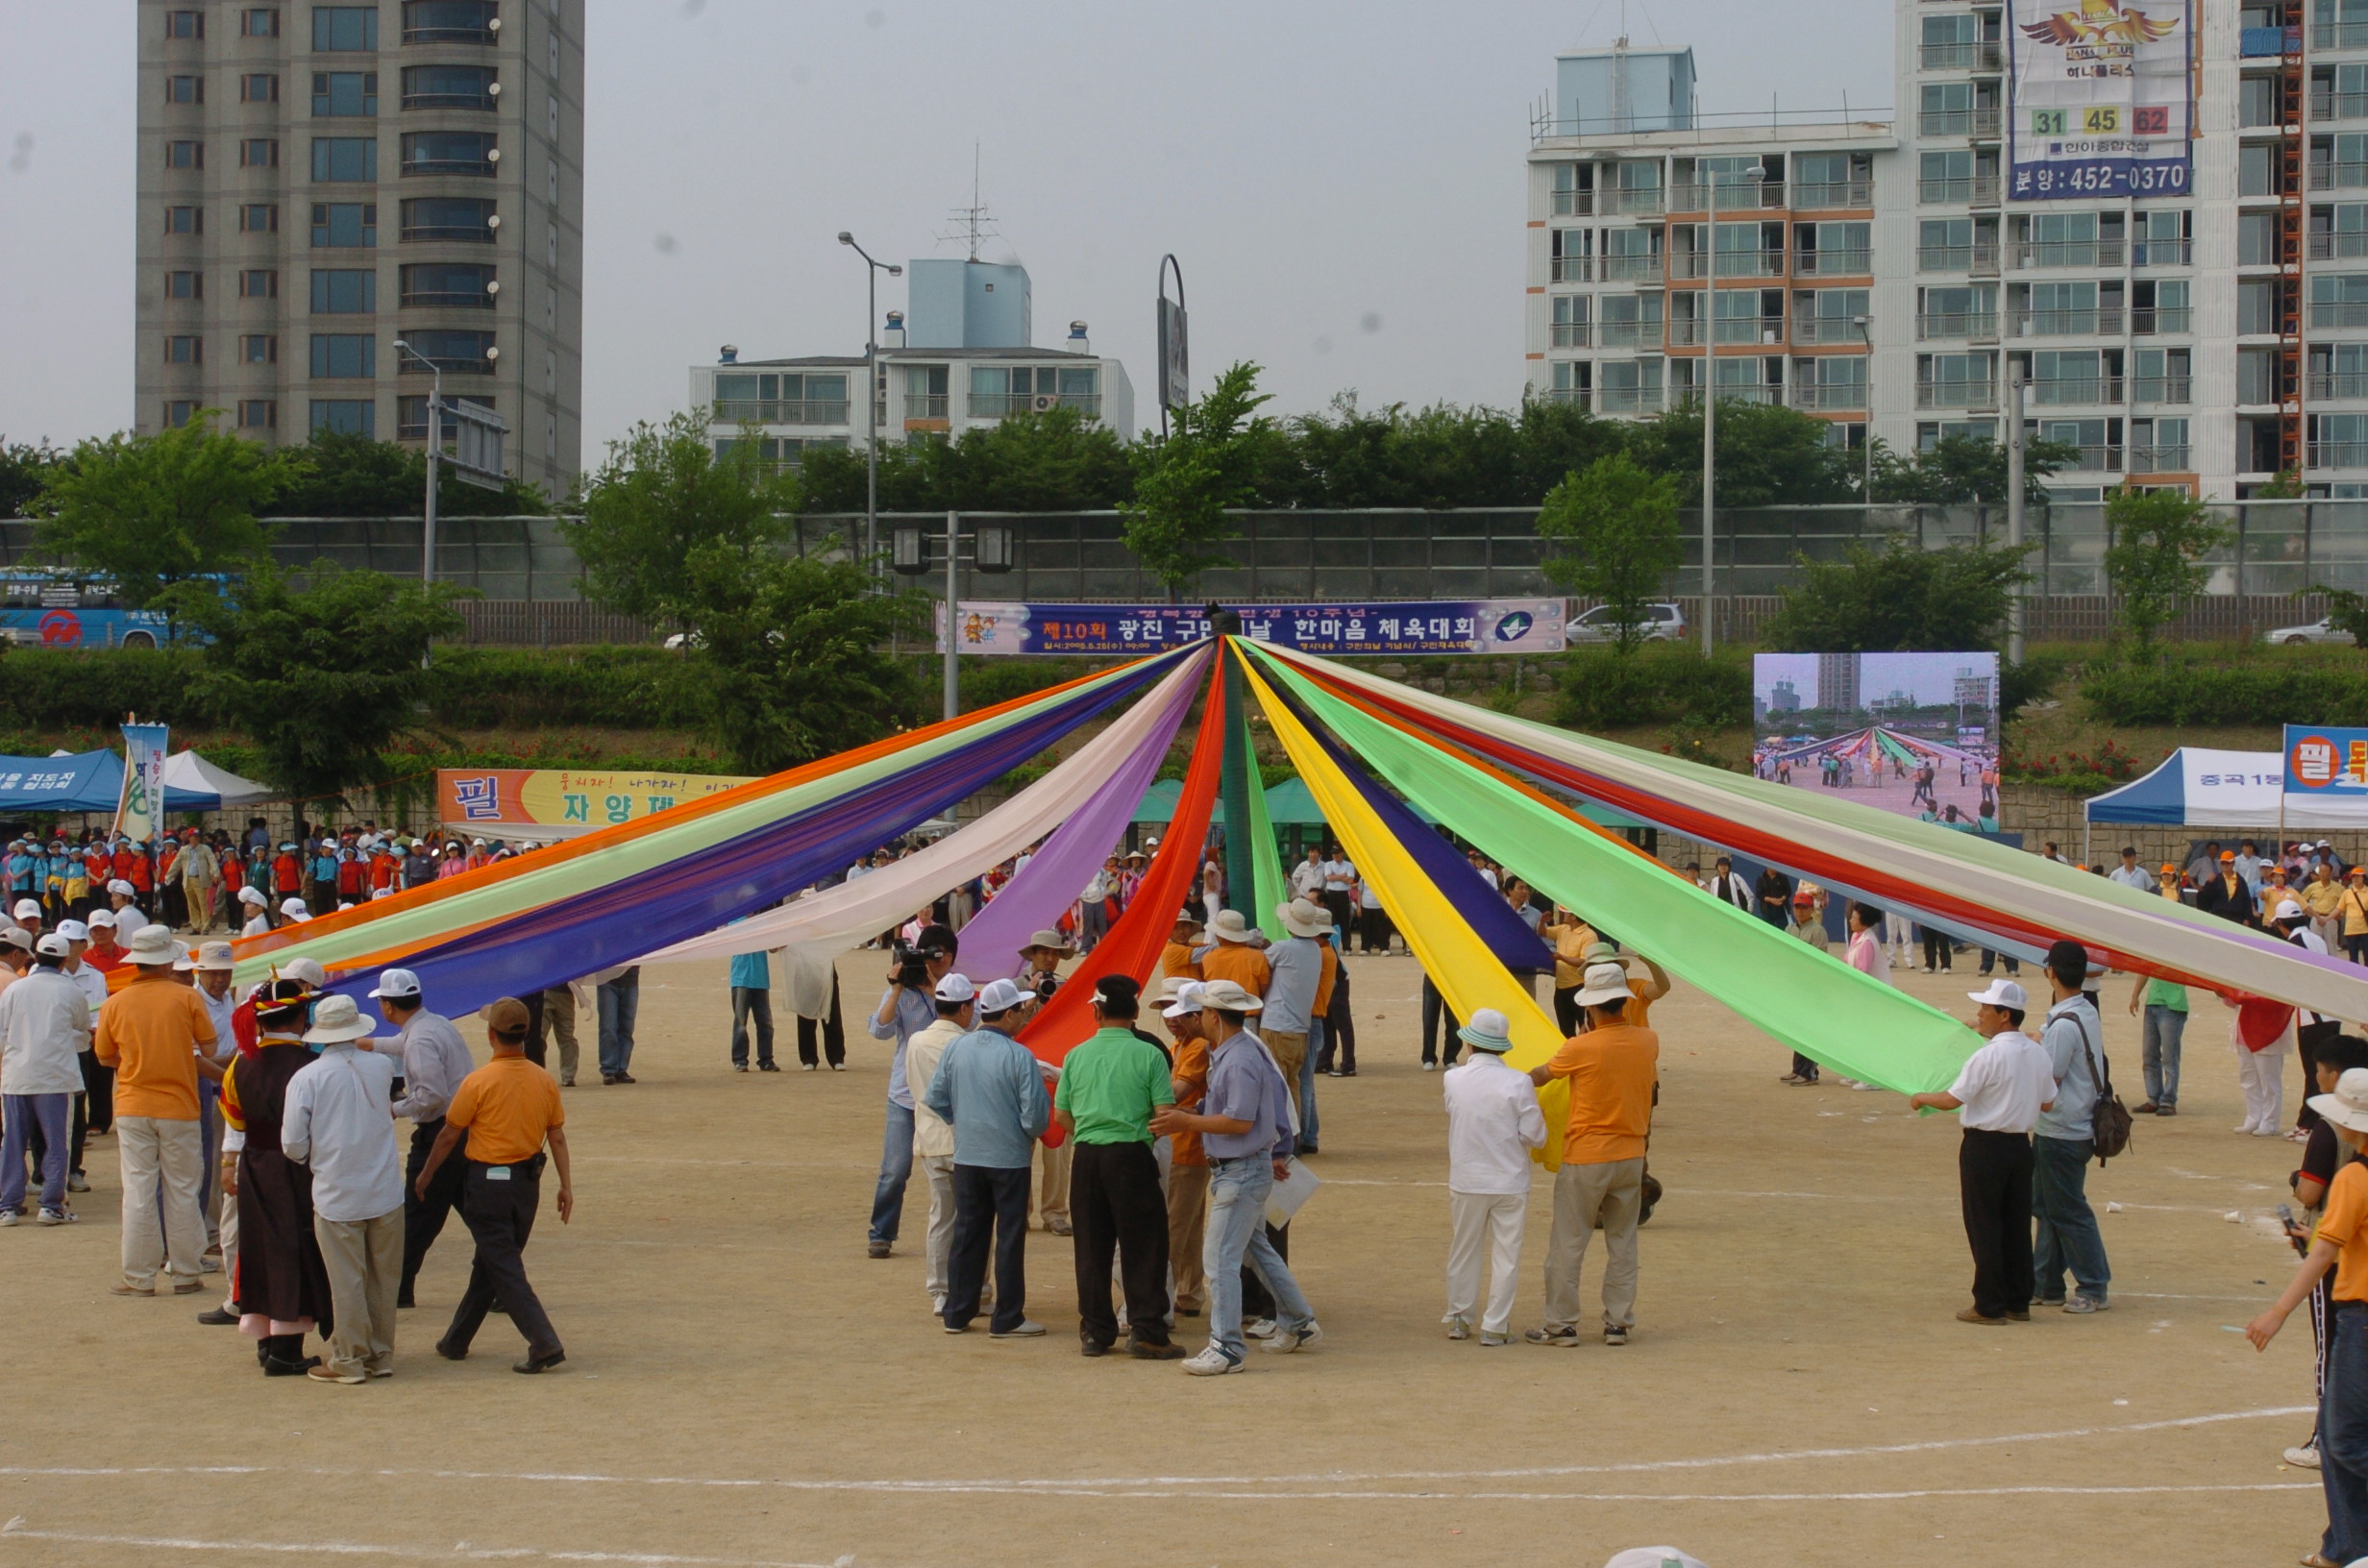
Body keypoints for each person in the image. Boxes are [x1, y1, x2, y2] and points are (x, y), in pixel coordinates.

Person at [1149, 978, 1321, 1374]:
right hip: (1241, 1169)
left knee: (1221, 1257)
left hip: (1240, 1169)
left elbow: (1239, 1121)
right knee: (1253, 1248)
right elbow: (1226, 1111)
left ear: (1212, 1015)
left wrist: (1183, 1121)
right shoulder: (1232, 1052)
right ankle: (1297, 1320)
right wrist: (1186, 1117)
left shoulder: (1238, 1057)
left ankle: (1227, 1347)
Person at [2248, 1066, 2368, 1567]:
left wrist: (2278, 1311)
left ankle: (2346, 1546)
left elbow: (2324, 1255)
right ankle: (2343, 1546)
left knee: (2341, 1437)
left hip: (2361, 1316)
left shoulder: (2355, 1176)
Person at [415, 996, 572, 1374]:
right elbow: (558, 1137)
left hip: (487, 1186)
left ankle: (544, 1341)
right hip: (526, 1186)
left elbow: (449, 1135)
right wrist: (566, 1186)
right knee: (491, 1263)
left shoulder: (478, 1082)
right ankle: (456, 1339)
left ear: (490, 1035)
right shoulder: (543, 1080)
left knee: (503, 1266)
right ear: (526, 1033)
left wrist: (425, 1175)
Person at [1525, 961, 1659, 1347]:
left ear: (1592, 1007)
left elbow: (1541, 1075)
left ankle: (1562, 1324)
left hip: (1586, 1155)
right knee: (1622, 1242)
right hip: (1631, 1154)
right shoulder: (1648, 1041)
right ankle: (1618, 1322)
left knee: (1569, 1241)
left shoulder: (1579, 1046)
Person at [1909, 978, 2056, 1324]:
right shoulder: (2037, 1053)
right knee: (2016, 1223)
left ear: (2004, 1015)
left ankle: (1988, 1304)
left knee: (1984, 1224)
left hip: (1985, 1145)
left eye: (1986, 1009)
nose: (1979, 1014)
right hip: (2020, 1146)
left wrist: (1920, 1097)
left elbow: (1952, 1099)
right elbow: (2048, 1103)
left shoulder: (1987, 1055)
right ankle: (2017, 1300)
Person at [1055, 974, 1183, 1359]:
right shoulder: (1149, 1054)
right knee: (1144, 1245)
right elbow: (1164, 1113)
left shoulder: (1076, 1055)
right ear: (1135, 1012)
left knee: (1091, 1247)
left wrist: (1092, 1132)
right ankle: (1146, 1330)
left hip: (1088, 1155)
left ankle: (1095, 1331)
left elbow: (1062, 1115)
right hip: (1131, 1153)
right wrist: (1138, 1136)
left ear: (1096, 1011)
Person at [95, 924, 223, 1299]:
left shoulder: (115, 1002)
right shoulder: (186, 998)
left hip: (133, 1104)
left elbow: (104, 1056)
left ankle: (139, 1277)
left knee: (138, 1190)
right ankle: (185, 1271)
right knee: (183, 1188)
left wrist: (137, 1061)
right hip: (179, 1105)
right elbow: (210, 1048)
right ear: (168, 961)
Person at [282, 993, 404, 1384]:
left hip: (337, 1191)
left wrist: (314, 1155)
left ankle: (349, 1358)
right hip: (384, 1186)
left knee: (347, 1280)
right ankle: (380, 1354)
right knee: (383, 1278)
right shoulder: (381, 1066)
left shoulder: (308, 1077)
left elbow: (293, 1144)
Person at [925, 976, 1052, 1337]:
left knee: (968, 1233)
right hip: (1009, 1158)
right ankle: (1007, 1315)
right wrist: (1020, 1134)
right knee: (1009, 1237)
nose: (1024, 1016)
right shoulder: (1018, 1055)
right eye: (1021, 1011)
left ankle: (958, 1311)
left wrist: (963, 1121)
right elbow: (1035, 1117)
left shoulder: (957, 1049)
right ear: (1009, 1014)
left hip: (969, 1155)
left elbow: (936, 1098)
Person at [220, 976, 333, 1374]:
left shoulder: (239, 1063)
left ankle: (267, 1340)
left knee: (260, 1247)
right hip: (298, 1167)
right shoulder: (312, 1066)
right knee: (295, 1247)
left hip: (255, 1163)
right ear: (302, 1016)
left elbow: (233, 1115)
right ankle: (286, 1349)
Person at [2282, 1036, 2368, 1472]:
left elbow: (2313, 1189)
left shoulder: (2329, 1136)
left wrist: (2276, 1312)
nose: (2316, 1076)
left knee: (2331, 1351)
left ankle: (2323, 1438)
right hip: (2350, 1255)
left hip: (2339, 1265)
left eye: (2319, 1070)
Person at [368, 968, 477, 1311]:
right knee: (473, 1212)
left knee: (417, 1214)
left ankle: (398, 1289)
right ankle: (499, 1280)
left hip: (440, 1132)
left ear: (387, 1007)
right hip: (463, 1130)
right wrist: (366, 1043)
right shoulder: (435, 1024)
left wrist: (392, 1109)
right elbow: (401, 1044)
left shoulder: (419, 1039)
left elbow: (430, 1095)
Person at [1441, 1008, 1547, 1346]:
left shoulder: (1453, 1078)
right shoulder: (1519, 1082)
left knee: (1464, 1248)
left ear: (1469, 1046)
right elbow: (1535, 1135)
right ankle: (1495, 1325)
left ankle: (1459, 1316)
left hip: (1468, 1178)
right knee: (1507, 1255)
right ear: (1502, 1047)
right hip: (1510, 1181)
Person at [865, 926, 956, 1259]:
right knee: (895, 1169)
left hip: (947, 1096)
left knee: (955, 1168)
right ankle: (881, 1233)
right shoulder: (902, 992)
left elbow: (971, 1026)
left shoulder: (953, 989)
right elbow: (879, 1029)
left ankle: (959, 1232)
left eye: (946, 954)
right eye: (934, 952)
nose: (941, 959)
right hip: (905, 1095)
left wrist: (936, 991)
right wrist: (896, 987)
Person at [2031, 940, 2111, 1313]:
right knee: (2049, 1206)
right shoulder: (2083, 1011)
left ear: (2052, 973)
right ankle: (2045, 1282)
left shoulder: (2063, 1024)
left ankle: (2093, 1286)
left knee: (2068, 1210)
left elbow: (2050, 1080)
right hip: (2074, 1125)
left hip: (2063, 1128)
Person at [0, 933, 90, 1227]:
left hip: (17, 1077)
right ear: (64, 960)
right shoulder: (71, 990)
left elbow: (2, 1034)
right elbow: (82, 1030)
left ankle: (8, 1206)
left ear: (34, 957)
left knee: (13, 1142)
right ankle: (52, 1205)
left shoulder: (16, 989)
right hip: (55, 1078)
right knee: (57, 1144)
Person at [903, 972, 974, 1316]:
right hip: (965, 1143)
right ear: (964, 1009)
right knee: (972, 1219)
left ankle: (940, 1291)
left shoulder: (916, 1041)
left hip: (930, 1141)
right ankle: (976, 1289)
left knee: (941, 1218)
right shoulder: (966, 1043)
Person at [1158, 978, 1213, 1320]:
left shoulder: (1196, 1047)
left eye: (1178, 1012)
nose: (1171, 1017)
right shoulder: (1183, 1045)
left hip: (1185, 1145)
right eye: (1166, 1010)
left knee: (1175, 1226)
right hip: (1190, 1144)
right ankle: (1189, 1292)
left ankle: (1162, 1298)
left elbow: (1178, 1092)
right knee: (1190, 1224)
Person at [1260, 899, 1327, 1118]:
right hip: (1299, 1028)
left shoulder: (1282, 948)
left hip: (1277, 1025)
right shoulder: (1315, 950)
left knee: (1274, 1086)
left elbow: (1259, 965)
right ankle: (1293, 1138)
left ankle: (1280, 1141)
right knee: (1292, 1085)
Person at [1197, 909, 1272, 996]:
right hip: (1250, 1007)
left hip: (1218, 1007)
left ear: (1218, 935)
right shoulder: (1257, 957)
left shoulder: (1207, 958)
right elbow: (1264, 986)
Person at [728, 945, 777, 1072]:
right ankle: (739, 1059)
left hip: (760, 978)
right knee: (740, 1023)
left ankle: (766, 1059)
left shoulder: (761, 925)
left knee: (765, 1023)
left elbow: (773, 948)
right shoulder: (733, 924)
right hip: (741, 978)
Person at [594, 963, 641, 1085]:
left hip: (631, 980)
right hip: (607, 981)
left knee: (627, 1027)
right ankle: (609, 1069)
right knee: (608, 1027)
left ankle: (621, 1069)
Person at [2198, 850, 2258, 928]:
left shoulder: (2240, 880)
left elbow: (2246, 900)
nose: (2225, 865)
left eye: (2228, 863)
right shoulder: (2216, 879)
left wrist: (2247, 918)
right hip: (2218, 917)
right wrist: (2209, 883)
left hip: (2236, 918)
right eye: (2223, 863)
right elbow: (2206, 896)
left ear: (2233, 863)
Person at [1752, 865, 1793, 930]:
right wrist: (1771, 900)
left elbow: (1788, 892)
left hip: (1781, 909)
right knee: (1768, 929)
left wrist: (1782, 898)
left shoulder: (1783, 878)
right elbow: (1759, 894)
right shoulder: (1761, 878)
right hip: (1767, 910)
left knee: (1784, 929)